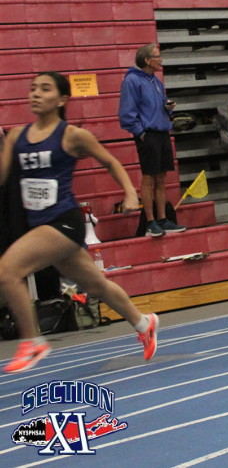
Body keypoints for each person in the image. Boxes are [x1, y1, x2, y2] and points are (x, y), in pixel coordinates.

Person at [0, 72, 158, 373]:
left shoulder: (72, 135)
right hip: (40, 225)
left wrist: (129, 193)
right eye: (33, 88)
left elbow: (110, 162)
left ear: (62, 99)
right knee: (96, 284)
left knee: (7, 270)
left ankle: (32, 342)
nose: (36, 94)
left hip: (64, 222)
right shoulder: (16, 136)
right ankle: (144, 323)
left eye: (45, 89)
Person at [118, 43, 186, 238]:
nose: (160, 60)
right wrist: (141, 133)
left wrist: (168, 108)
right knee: (149, 178)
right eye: (157, 56)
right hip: (148, 134)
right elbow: (126, 114)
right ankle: (150, 222)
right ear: (147, 60)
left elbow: (159, 105)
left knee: (162, 178)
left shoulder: (155, 81)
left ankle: (162, 219)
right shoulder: (132, 80)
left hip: (162, 132)